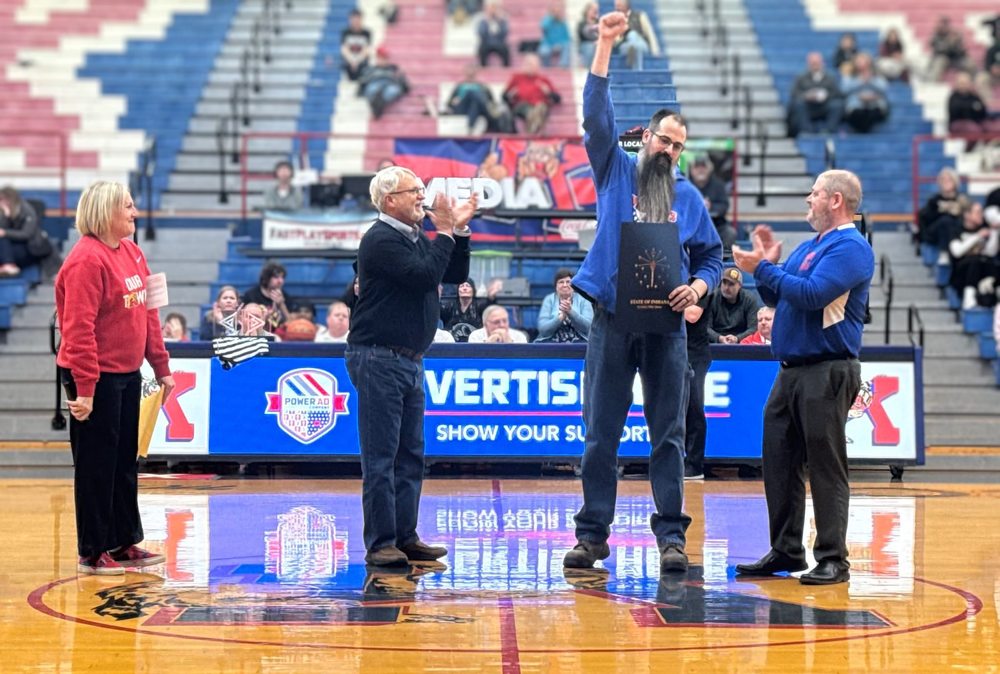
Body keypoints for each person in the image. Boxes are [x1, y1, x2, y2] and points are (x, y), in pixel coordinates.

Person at [562, 10, 723, 574]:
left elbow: (711, 254)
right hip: (612, 320)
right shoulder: (614, 170)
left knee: (669, 438)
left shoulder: (691, 199)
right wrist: (605, 44)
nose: (669, 151)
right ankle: (592, 537)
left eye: (679, 146)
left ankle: (672, 539)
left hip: (667, 327)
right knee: (599, 436)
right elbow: (594, 115)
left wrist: (700, 287)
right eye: (664, 140)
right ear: (646, 137)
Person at [732, 169, 874, 585]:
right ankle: (786, 549)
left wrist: (767, 269)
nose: (807, 201)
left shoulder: (852, 248)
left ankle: (833, 558)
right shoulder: (810, 246)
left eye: (813, 194)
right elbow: (779, 296)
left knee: (826, 466)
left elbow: (812, 296)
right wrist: (767, 269)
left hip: (827, 370)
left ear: (835, 200)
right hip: (791, 370)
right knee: (778, 461)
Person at [345, 166, 477, 566]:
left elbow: (453, 272)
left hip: (407, 360)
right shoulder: (381, 239)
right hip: (379, 357)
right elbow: (424, 277)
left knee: (409, 456)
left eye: (421, 190)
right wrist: (447, 233)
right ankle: (381, 543)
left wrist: (461, 232)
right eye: (414, 191)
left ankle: (405, 536)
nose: (422, 196)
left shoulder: (411, 236)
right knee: (382, 458)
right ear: (390, 201)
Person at [55, 180, 175, 575]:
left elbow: (149, 315)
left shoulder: (134, 253)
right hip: (94, 377)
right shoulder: (85, 261)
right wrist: (85, 390)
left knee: (124, 460)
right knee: (96, 465)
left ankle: (123, 542)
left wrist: (161, 367)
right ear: (106, 211)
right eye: (127, 206)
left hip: (127, 373)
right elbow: (78, 330)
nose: (135, 212)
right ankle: (92, 550)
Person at [683, 292, 712, 480]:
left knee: (694, 405)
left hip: (696, 353)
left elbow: (692, 315)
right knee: (672, 409)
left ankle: (695, 465)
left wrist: (662, 302)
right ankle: (676, 461)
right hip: (674, 348)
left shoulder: (701, 279)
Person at [947, 201, 998, 309]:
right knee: (974, 261)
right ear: (967, 215)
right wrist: (977, 236)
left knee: (989, 262)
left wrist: (994, 232)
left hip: (981, 271)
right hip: (961, 275)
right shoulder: (956, 230)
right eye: (978, 212)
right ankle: (968, 299)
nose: (981, 215)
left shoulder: (985, 229)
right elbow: (957, 252)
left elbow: (990, 253)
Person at [502, 53, 561, 135]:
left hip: (540, 106)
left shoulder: (543, 79)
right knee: (527, 108)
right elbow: (504, 96)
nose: (530, 67)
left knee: (542, 107)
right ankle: (535, 123)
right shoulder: (517, 78)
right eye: (529, 64)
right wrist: (510, 95)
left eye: (533, 65)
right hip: (521, 106)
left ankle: (534, 123)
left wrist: (548, 93)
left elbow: (557, 98)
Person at [787, 52, 843, 137]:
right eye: (813, 63)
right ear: (808, 64)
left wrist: (826, 96)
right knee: (798, 104)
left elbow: (837, 93)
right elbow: (794, 93)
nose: (815, 65)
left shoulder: (830, 78)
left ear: (822, 63)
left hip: (824, 106)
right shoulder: (801, 77)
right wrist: (806, 96)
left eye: (817, 63)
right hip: (808, 106)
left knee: (837, 105)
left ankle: (828, 131)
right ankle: (806, 131)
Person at [688, 154, 735, 253]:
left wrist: (710, 207)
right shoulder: (686, 185)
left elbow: (724, 206)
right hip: (692, 226)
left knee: (730, 233)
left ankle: (722, 260)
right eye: (697, 167)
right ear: (691, 170)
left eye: (703, 167)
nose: (700, 170)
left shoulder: (718, 185)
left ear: (710, 169)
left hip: (715, 225)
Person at [0, 186, 48, 276]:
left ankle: (9, 264)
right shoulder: (3, 212)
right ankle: (8, 264)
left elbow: (27, 234)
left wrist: (5, 233)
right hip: (11, 248)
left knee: (3, 237)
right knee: (2, 239)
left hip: (29, 249)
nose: (1, 203)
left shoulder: (27, 210)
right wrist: (6, 217)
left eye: (3, 200)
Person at [535, 268, 593, 342]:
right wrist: (560, 318)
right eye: (561, 282)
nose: (565, 285)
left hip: (580, 342)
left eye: (568, 282)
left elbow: (588, 328)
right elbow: (543, 330)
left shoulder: (583, 300)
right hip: (551, 342)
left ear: (573, 285)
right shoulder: (549, 299)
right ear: (556, 286)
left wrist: (570, 312)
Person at [241, 261, 301, 332]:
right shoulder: (251, 295)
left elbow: (291, 324)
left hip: (279, 336)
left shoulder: (285, 296)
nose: (280, 281)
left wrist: (281, 305)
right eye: (276, 277)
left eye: (282, 277)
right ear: (266, 278)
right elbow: (243, 320)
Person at [444, 63, 504, 135]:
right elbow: (449, 103)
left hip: (477, 109)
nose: (470, 73)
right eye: (468, 70)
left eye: (472, 70)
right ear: (465, 72)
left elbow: (491, 100)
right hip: (462, 107)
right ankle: (491, 117)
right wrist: (453, 102)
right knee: (471, 92)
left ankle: (470, 128)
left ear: (476, 72)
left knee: (475, 104)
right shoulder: (460, 86)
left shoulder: (482, 86)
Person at [917, 167, 964, 254]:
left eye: (949, 179)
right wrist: (943, 210)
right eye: (943, 179)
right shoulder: (934, 201)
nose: (946, 182)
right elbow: (926, 220)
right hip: (936, 235)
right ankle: (944, 252)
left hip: (957, 234)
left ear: (955, 182)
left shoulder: (962, 200)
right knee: (945, 221)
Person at [707, 267, 758, 344]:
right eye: (724, 283)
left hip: (742, 344)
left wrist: (737, 338)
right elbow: (706, 327)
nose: (726, 288)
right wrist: (719, 338)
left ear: (740, 286)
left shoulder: (749, 299)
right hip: (715, 343)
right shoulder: (712, 298)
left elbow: (754, 328)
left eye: (731, 284)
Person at [842, 52, 890, 134]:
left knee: (873, 113)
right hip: (856, 106)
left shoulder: (876, 75)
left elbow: (884, 88)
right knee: (858, 115)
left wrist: (871, 80)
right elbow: (844, 89)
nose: (861, 64)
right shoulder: (850, 75)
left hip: (874, 105)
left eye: (863, 61)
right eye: (858, 61)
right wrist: (860, 81)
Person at [358, 46, 410, 119]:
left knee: (393, 90)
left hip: (389, 86)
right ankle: (377, 103)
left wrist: (401, 76)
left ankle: (378, 104)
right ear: (377, 58)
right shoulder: (371, 69)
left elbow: (405, 86)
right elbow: (362, 82)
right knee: (372, 89)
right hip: (375, 85)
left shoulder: (394, 68)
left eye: (385, 58)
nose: (383, 60)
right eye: (381, 58)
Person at [612, 0, 660, 70]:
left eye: (619, 5)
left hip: (641, 43)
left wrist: (655, 50)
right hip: (624, 45)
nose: (616, 8)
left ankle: (633, 47)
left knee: (633, 35)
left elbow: (650, 33)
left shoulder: (640, 15)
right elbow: (615, 41)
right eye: (616, 5)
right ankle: (638, 72)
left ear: (626, 5)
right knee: (634, 47)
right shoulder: (615, 20)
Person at [927, 16, 972, 81]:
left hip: (955, 59)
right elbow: (939, 49)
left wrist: (957, 43)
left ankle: (971, 82)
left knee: (969, 64)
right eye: (942, 24)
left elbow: (962, 51)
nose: (944, 27)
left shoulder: (955, 34)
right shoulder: (936, 36)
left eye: (946, 24)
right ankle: (933, 82)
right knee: (940, 62)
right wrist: (950, 43)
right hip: (943, 58)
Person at [340, 9, 372, 81]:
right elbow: (344, 49)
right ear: (350, 20)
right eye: (354, 19)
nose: (356, 22)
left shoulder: (366, 33)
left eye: (358, 19)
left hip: (362, 60)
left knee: (365, 66)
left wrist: (357, 61)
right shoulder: (345, 33)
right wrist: (352, 61)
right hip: (349, 61)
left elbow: (366, 50)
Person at [477, 1, 510, 67]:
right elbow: (481, 33)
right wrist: (487, 22)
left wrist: (500, 21)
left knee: (506, 50)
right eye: (491, 8)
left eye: (494, 8)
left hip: (499, 43)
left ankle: (506, 67)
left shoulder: (502, 20)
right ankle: (483, 67)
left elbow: (505, 33)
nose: (493, 11)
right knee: (481, 50)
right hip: (487, 43)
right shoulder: (483, 21)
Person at [538, 3, 572, 68]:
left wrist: (561, 43)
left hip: (560, 45)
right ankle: (546, 67)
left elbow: (567, 37)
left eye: (558, 11)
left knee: (567, 45)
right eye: (555, 11)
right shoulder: (547, 20)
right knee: (543, 51)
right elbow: (543, 27)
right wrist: (551, 17)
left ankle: (563, 66)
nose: (557, 13)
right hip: (548, 44)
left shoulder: (563, 23)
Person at [577, 2, 600, 67]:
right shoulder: (582, 23)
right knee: (590, 47)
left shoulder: (599, 22)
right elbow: (583, 36)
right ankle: (589, 69)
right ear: (587, 11)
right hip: (585, 45)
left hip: (597, 44)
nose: (595, 11)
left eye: (596, 10)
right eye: (592, 9)